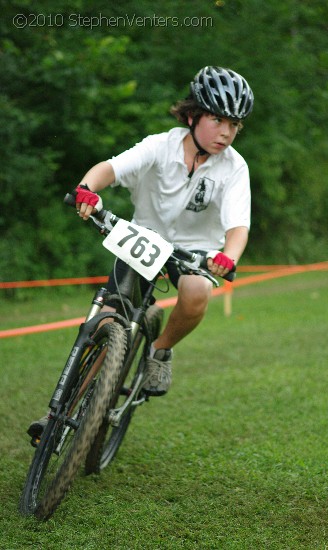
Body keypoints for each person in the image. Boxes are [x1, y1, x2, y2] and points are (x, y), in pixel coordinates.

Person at [27, 66, 254, 437]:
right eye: (218, 120)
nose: (227, 132)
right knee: (108, 319)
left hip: (194, 250)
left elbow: (238, 227)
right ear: (194, 115)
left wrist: (228, 256)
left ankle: (159, 352)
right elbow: (110, 168)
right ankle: (59, 413)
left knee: (197, 292)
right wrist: (87, 188)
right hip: (144, 236)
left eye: (235, 125)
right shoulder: (160, 145)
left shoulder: (234, 167)